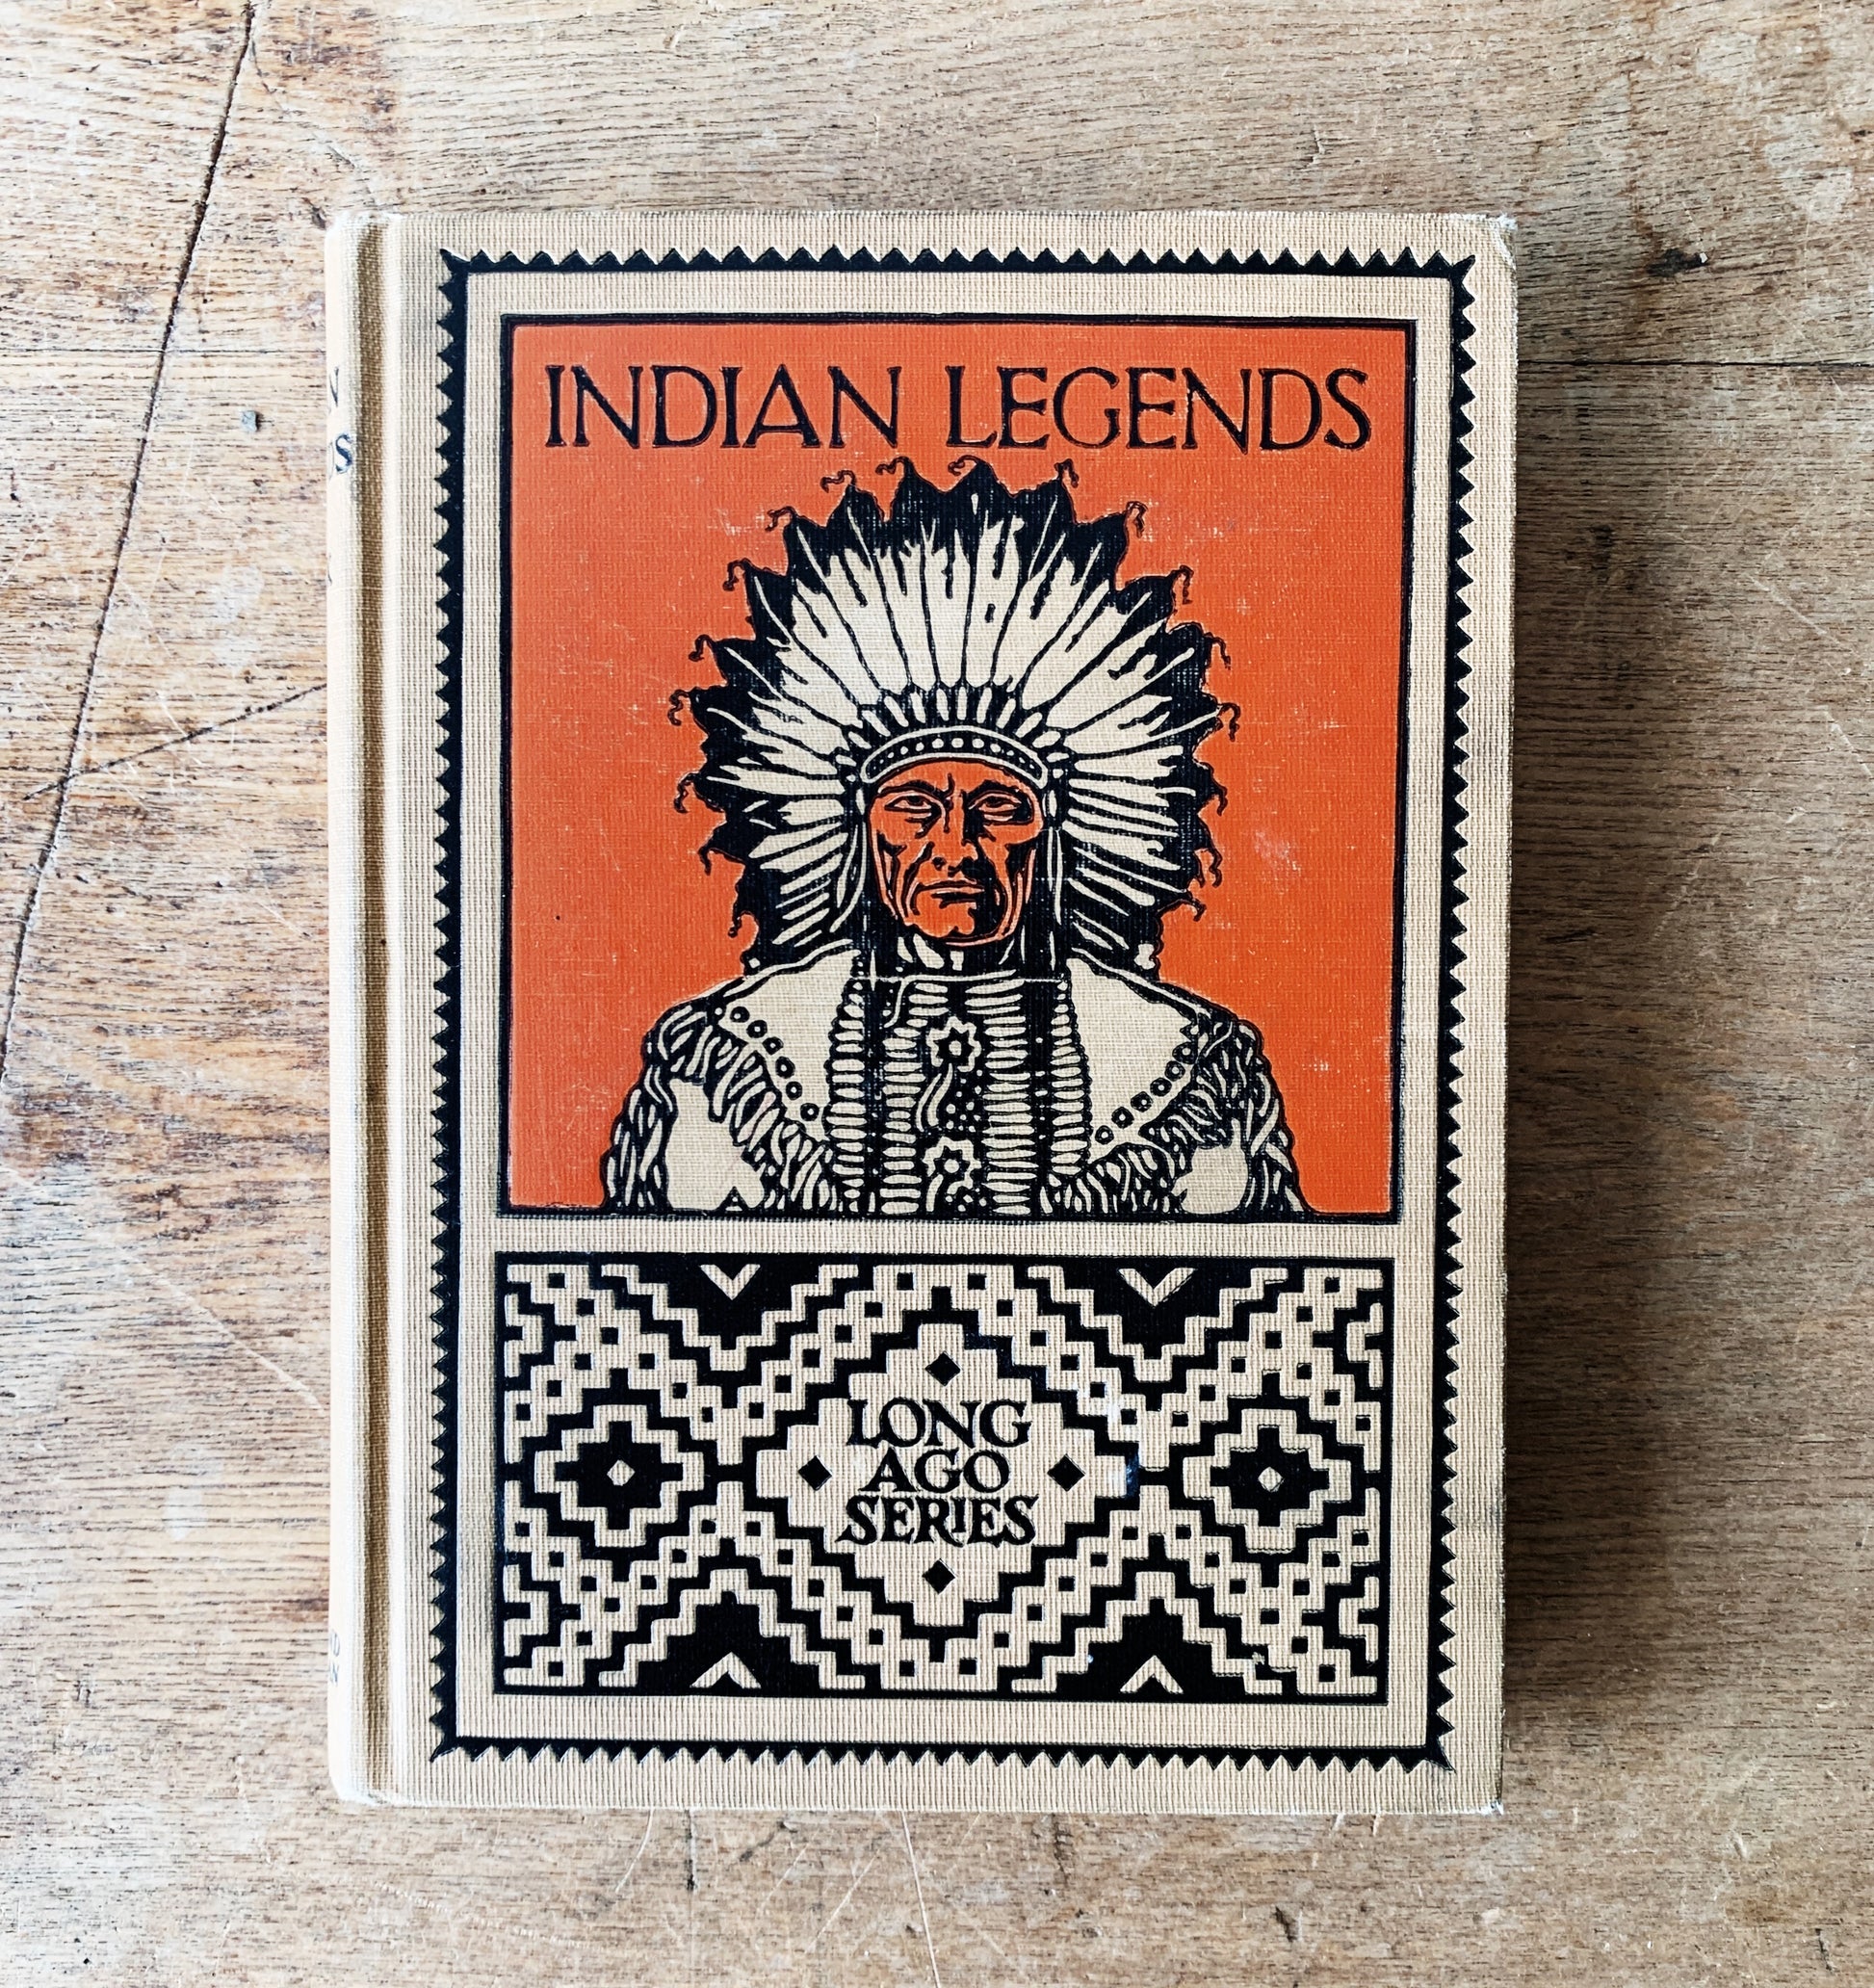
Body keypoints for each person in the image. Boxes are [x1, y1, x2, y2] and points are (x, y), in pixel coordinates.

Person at [602, 459, 1306, 1218]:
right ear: (857, 829)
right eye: (914, 808)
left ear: (1057, 831)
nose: (955, 847)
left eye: (999, 807)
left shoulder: (1187, 1066)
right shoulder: (731, 1057)